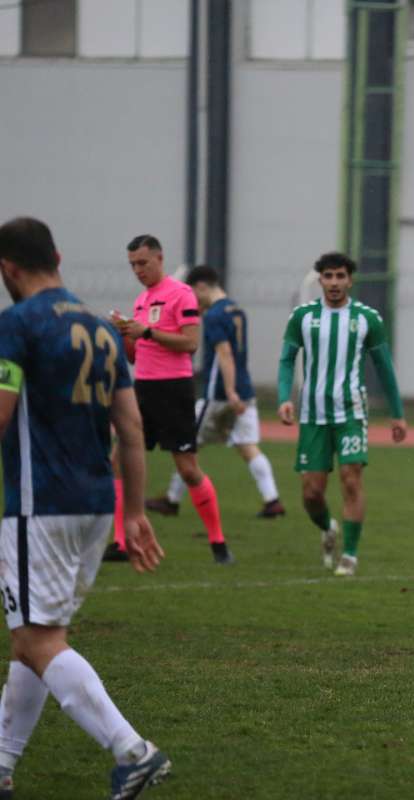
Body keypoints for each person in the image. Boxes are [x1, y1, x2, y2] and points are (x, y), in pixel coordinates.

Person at [0, 217, 171, 800]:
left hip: (37, 504)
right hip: (97, 505)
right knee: (35, 638)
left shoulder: (16, 325)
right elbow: (131, 425)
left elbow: (1, 412)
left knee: (38, 637)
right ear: (59, 257)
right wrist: (134, 513)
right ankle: (2, 763)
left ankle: (133, 751)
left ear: (9, 269)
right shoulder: (101, 330)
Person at [277, 252, 407, 576]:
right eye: (328, 276)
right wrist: (284, 398)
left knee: (351, 479)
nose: (334, 283)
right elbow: (286, 360)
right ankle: (327, 526)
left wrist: (397, 413)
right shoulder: (302, 317)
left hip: (351, 412)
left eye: (340, 276)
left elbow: (384, 367)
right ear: (319, 279)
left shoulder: (367, 318)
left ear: (350, 280)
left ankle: (349, 555)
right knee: (311, 493)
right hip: (312, 414)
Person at [110, 234, 233, 564]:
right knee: (118, 460)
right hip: (143, 390)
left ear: (160, 259)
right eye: (133, 265)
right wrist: (125, 335)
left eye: (143, 263)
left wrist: (146, 332)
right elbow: (136, 356)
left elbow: (190, 344)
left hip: (174, 390)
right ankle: (121, 543)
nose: (138, 270)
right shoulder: (141, 301)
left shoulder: (182, 294)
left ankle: (218, 542)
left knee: (188, 469)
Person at [144, 265, 285, 520]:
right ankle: (272, 500)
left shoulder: (214, 316)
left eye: (192, 295)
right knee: (247, 446)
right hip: (245, 389)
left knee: (186, 445)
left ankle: (172, 500)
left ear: (201, 287)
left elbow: (225, 354)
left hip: (219, 394)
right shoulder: (237, 310)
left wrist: (229, 392)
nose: (192, 302)